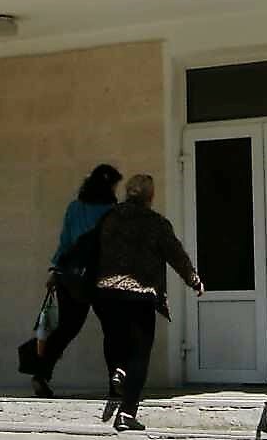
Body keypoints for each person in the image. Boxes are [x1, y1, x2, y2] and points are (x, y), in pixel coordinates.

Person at [94, 173, 204, 432]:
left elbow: (93, 249)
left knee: (114, 339)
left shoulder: (108, 218)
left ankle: (117, 370)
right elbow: (176, 255)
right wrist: (194, 280)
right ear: (150, 196)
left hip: (106, 293)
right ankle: (127, 413)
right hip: (139, 295)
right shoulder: (156, 223)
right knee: (139, 353)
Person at [31, 163, 123, 398]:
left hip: (71, 277)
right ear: (110, 186)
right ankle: (116, 383)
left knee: (66, 328)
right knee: (113, 330)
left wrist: (55, 270)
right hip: (103, 277)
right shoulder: (114, 212)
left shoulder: (75, 208)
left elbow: (65, 242)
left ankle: (41, 374)